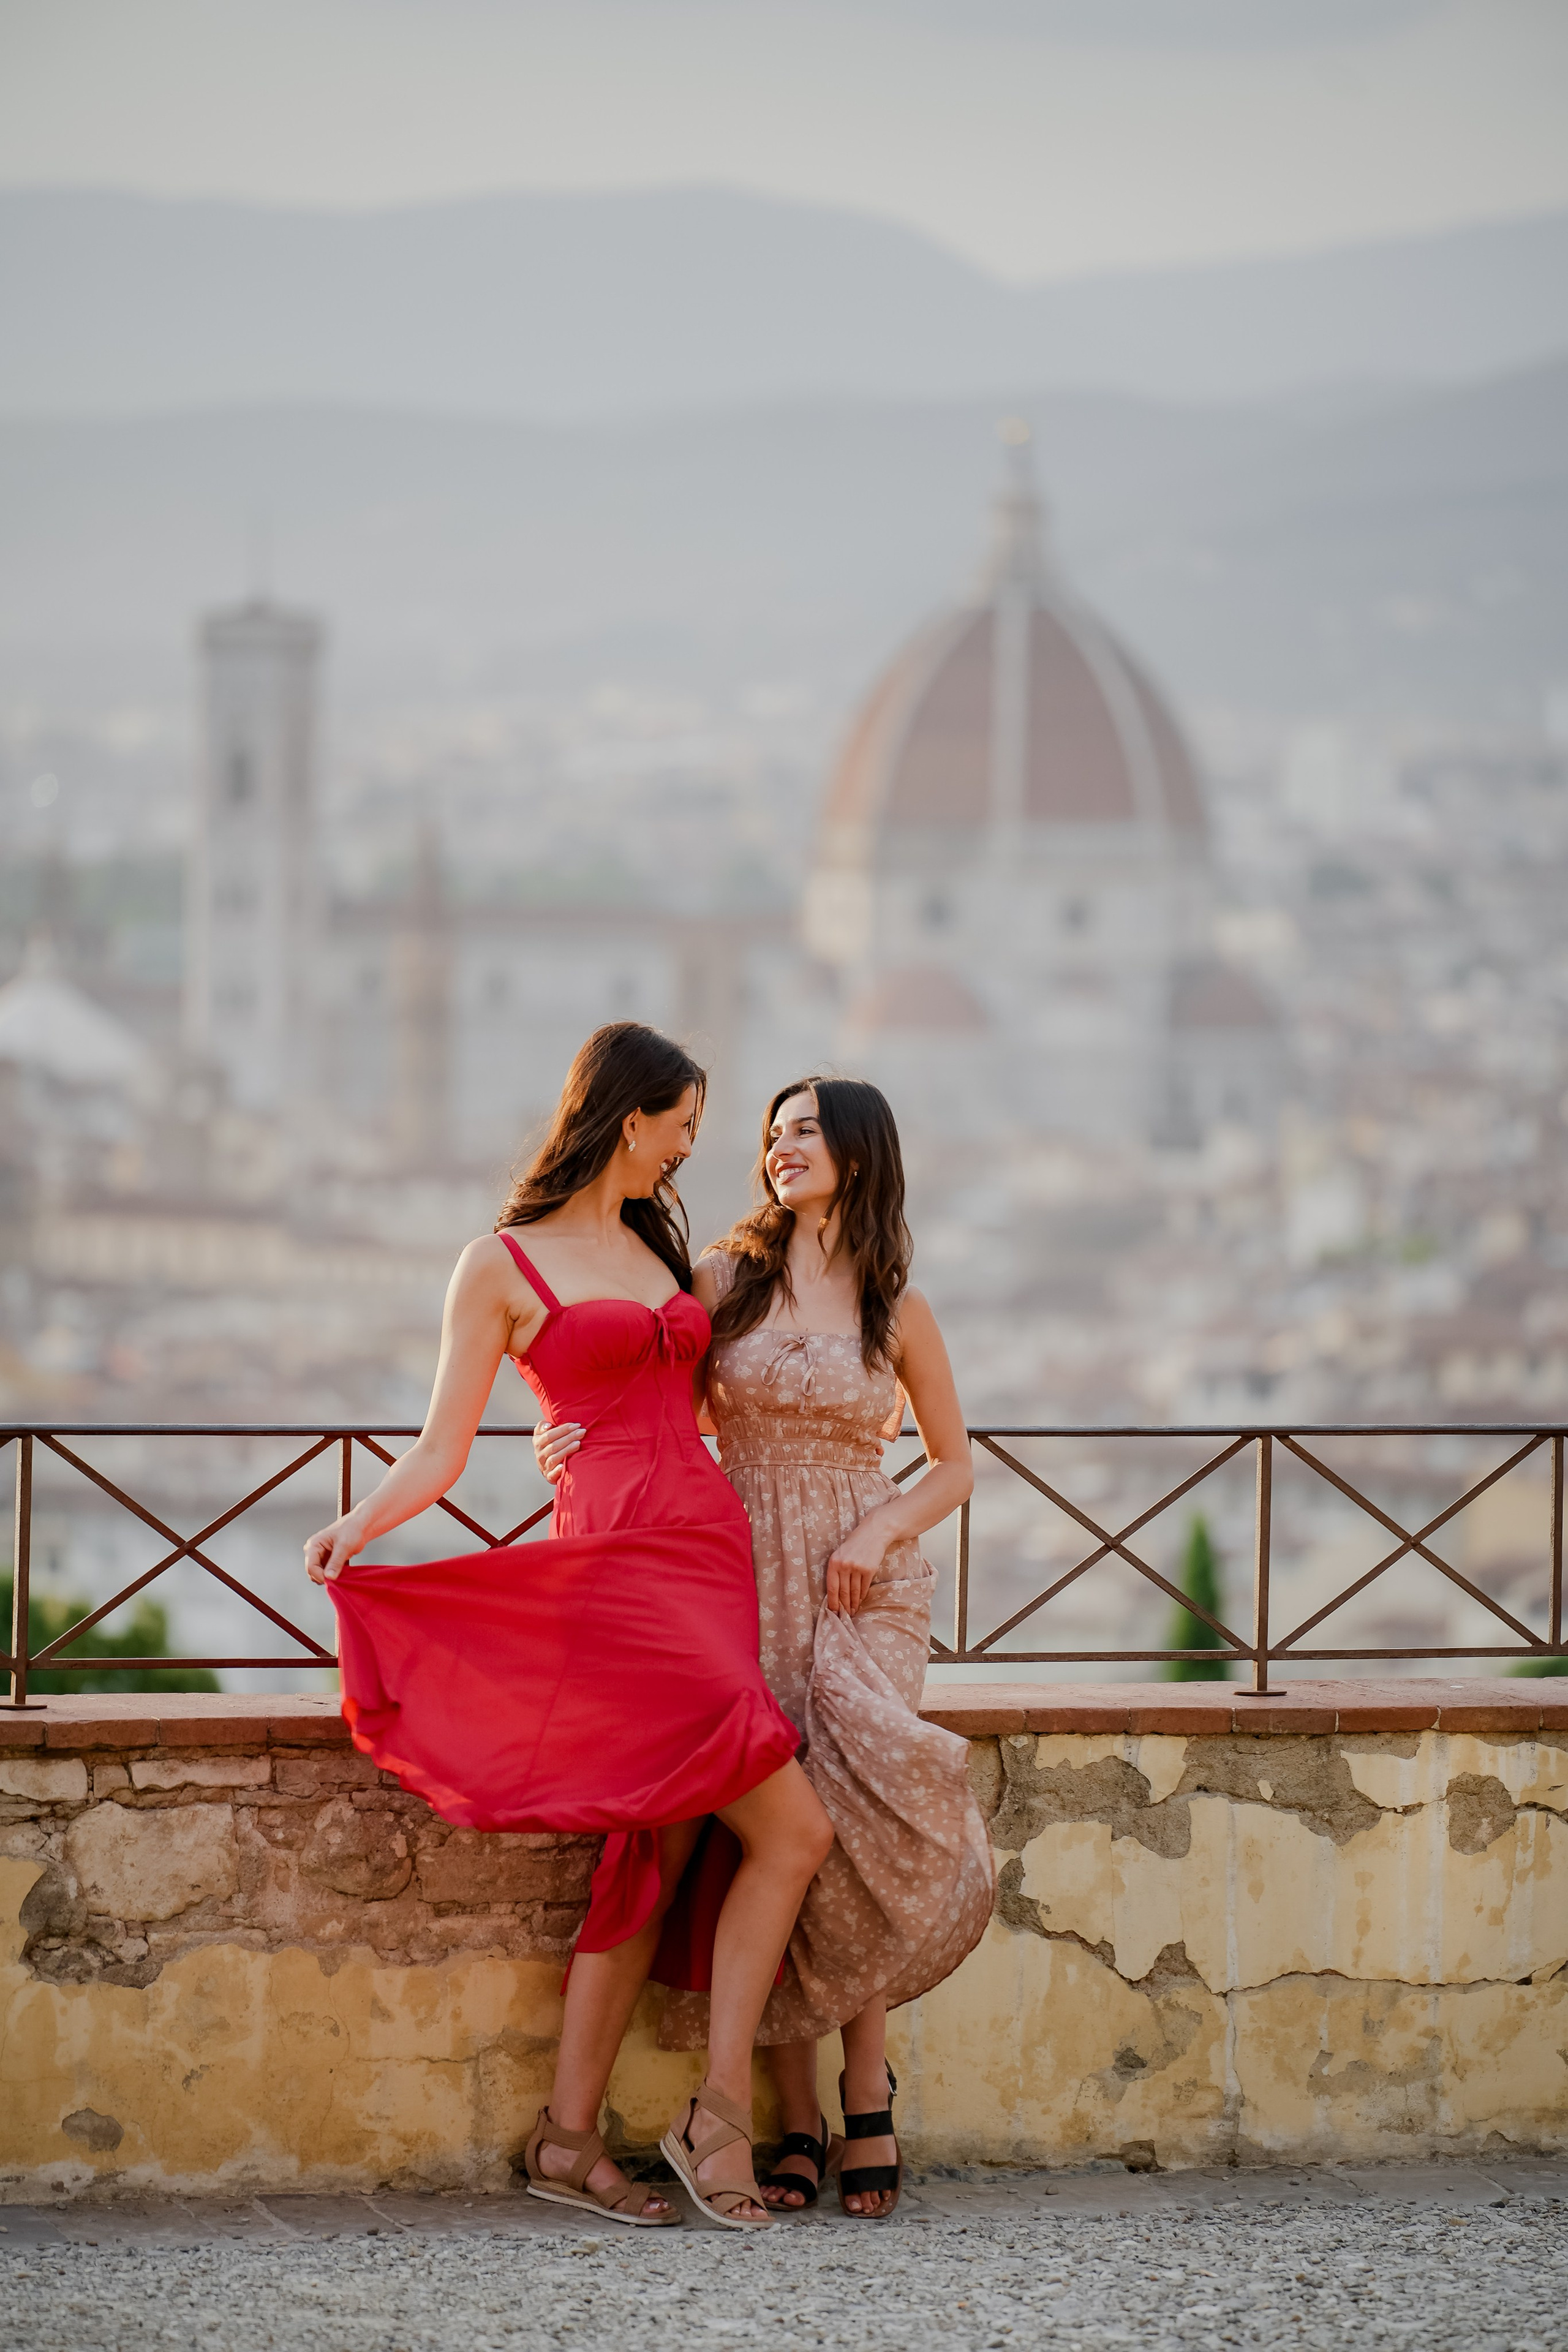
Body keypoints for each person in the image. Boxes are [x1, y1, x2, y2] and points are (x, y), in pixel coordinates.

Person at [304, 1023, 833, 2233]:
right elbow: (442, 1449)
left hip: (706, 1552)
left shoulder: (665, 1253)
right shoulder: (494, 1265)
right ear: (627, 1117)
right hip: (614, 1569)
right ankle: (709, 2118)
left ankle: (567, 2136)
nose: (696, 1150)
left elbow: (715, 1392)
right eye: (686, 1126)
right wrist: (359, 1529)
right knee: (787, 1828)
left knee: (653, 1852)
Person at [535, 1075, 994, 2220]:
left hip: (862, 1581)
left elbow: (953, 1460)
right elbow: (651, 1400)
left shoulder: (898, 1303)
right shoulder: (725, 1281)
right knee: (779, 1838)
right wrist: (573, 1443)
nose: (782, 1150)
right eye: (773, 1134)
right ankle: (803, 2117)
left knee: (857, 1807)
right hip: (735, 1568)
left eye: (807, 1133)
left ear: (859, 1150)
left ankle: (859, 2089)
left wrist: (885, 1524)